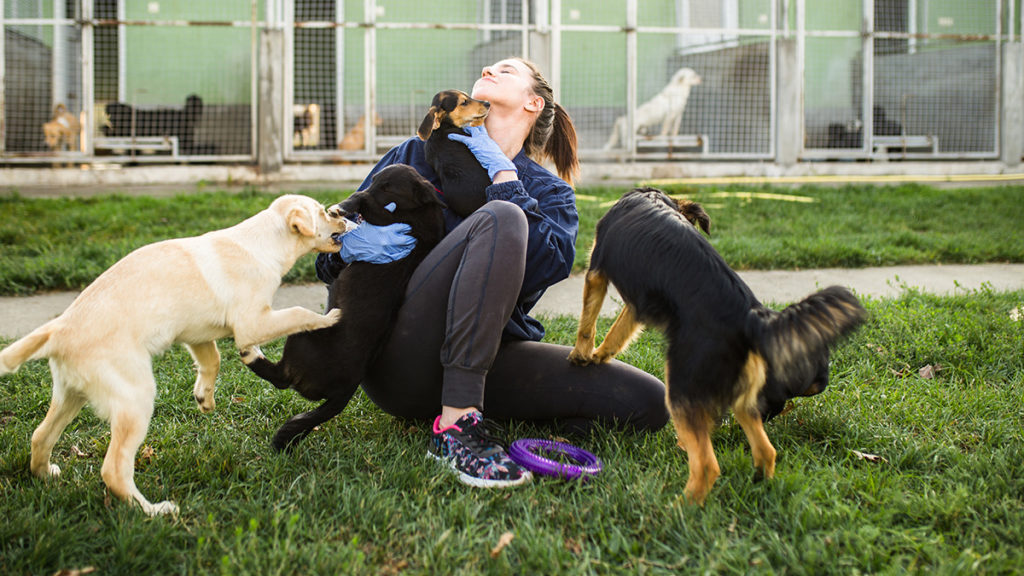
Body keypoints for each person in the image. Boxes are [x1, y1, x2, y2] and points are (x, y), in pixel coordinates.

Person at [316, 57, 668, 488]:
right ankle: (457, 428)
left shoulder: (550, 193)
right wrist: (350, 244)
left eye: (506, 69)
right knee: (502, 217)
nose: (488, 68)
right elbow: (327, 255)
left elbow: (543, 265)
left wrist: (504, 177)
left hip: (490, 359)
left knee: (648, 403)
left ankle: (476, 406)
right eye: (488, 67)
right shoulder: (413, 155)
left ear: (532, 103)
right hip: (397, 355)